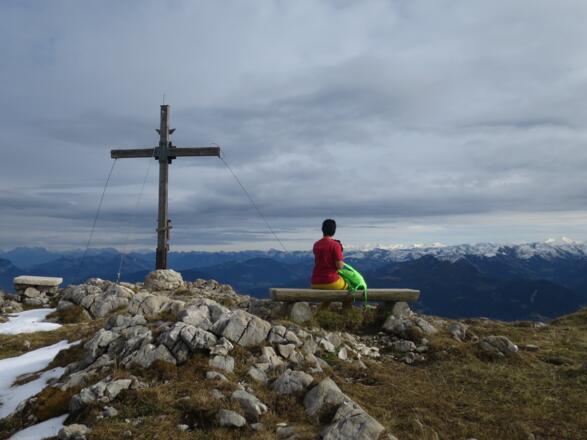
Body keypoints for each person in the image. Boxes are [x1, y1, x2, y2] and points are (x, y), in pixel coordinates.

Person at [311, 219, 348, 290]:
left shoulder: (316, 244)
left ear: (322, 229)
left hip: (315, 282)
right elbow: (340, 266)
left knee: (326, 298)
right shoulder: (335, 245)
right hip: (331, 281)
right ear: (334, 230)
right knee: (350, 286)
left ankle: (325, 301)